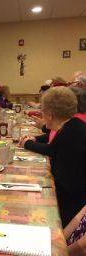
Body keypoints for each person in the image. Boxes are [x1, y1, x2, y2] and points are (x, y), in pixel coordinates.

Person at [19, 87, 86, 227]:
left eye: (43, 112)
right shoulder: (72, 126)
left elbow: (66, 180)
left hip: (72, 207)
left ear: (49, 115)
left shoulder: (71, 132)